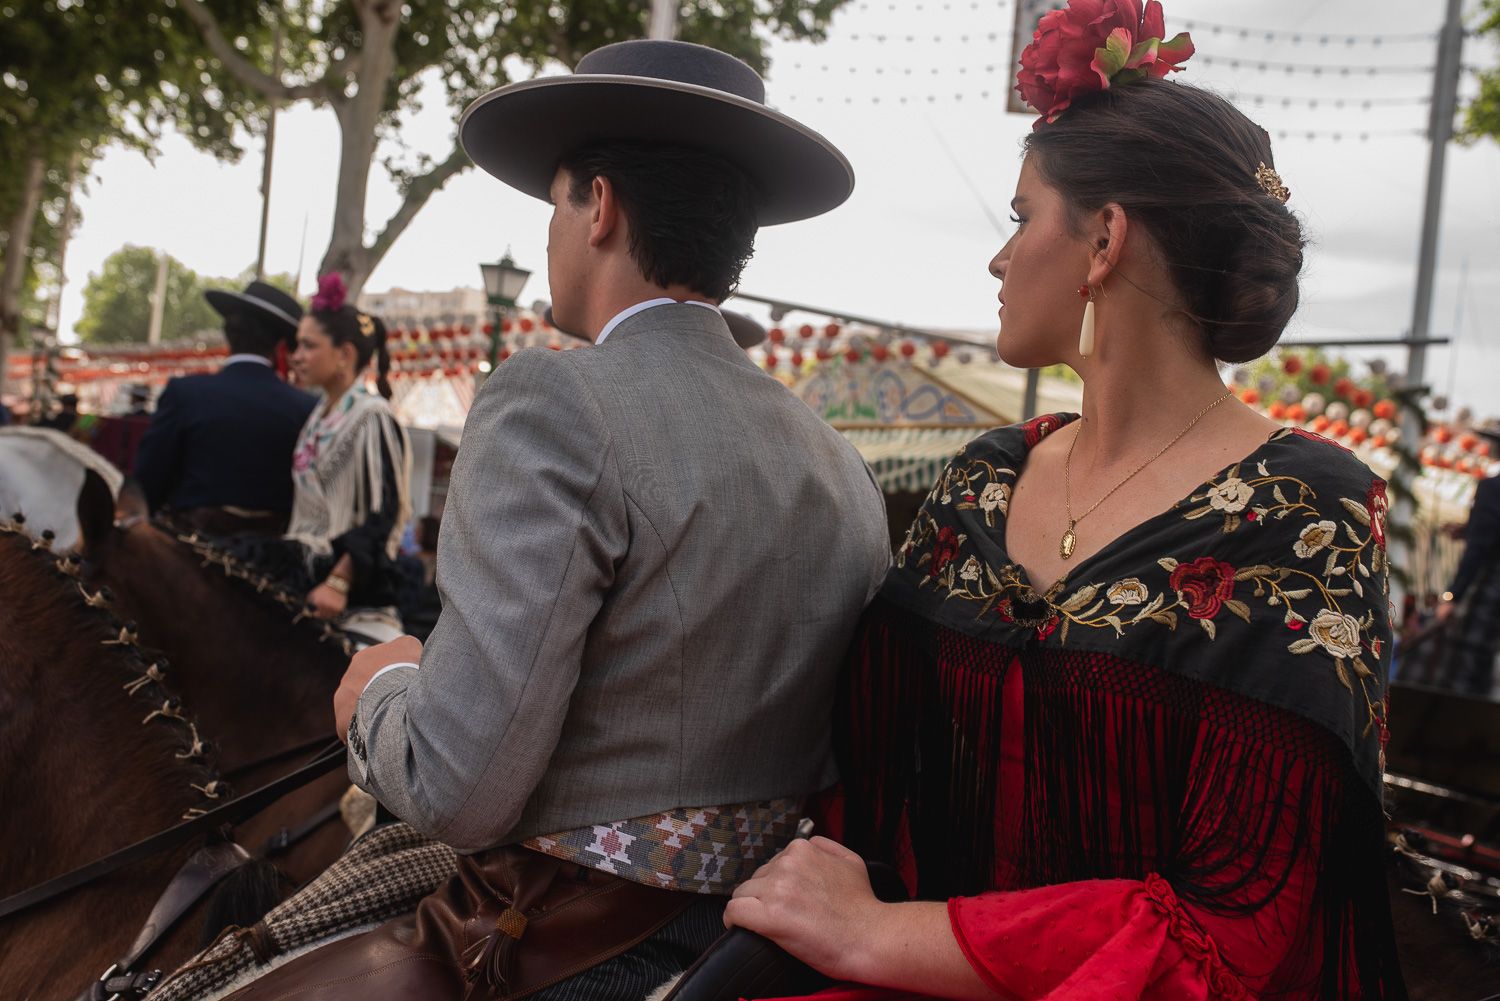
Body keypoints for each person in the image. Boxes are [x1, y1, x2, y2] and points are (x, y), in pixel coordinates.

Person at [724, 4, 1406, 998]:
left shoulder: (1307, 510)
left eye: (1020, 216)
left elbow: (1234, 924)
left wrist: (881, 937)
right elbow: (865, 784)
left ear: (1104, 240)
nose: (1000, 259)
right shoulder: (984, 476)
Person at [223, 38, 889, 1001]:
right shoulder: (834, 456)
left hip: (568, 946)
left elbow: (460, 784)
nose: (551, 234)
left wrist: (380, 692)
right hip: (740, 944)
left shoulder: (555, 399)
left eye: (557, 203)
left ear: (602, 207)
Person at [230, 273, 411, 622]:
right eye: (297, 345)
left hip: (346, 592)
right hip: (303, 568)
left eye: (308, 346)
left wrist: (339, 583)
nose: (296, 356)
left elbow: (384, 515)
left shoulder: (371, 416)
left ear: (344, 354)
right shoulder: (319, 415)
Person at [133, 280, 316, 536]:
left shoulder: (184, 393)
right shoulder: (306, 407)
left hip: (189, 556)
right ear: (281, 346)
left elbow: (148, 482)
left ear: (229, 333)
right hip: (276, 563)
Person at [1432, 420, 1500, 696]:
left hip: (1490, 586)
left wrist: (1453, 595)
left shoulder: (1493, 488)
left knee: (1467, 668)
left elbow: (1480, 548)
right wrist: (1467, 530)